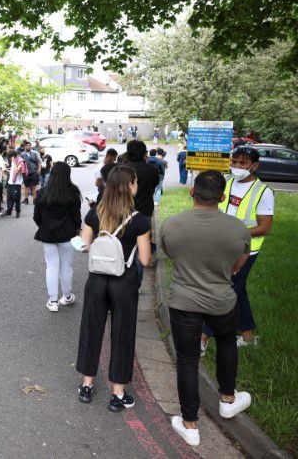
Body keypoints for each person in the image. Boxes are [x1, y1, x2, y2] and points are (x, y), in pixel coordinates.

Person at [161, 171, 253, 446]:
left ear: (192, 192)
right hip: (222, 301)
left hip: (184, 302)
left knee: (188, 360)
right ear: (223, 197)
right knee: (226, 344)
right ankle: (228, 399)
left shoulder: (171, 225)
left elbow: (170, 254)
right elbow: (239, 264)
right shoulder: (238, 229)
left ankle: (190, 424)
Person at [76, 165, 152, 412]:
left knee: (91, 328)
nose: (137, 185)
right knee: (122, 333)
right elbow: (145, 259)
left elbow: (84, 245)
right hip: (125, 282)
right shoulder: (139, 219)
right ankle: (118, 393)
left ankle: (86, 384)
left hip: (96, 280)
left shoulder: (94, 214)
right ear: (130, 186)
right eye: (136, 181)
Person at [201, 146, 273, 352]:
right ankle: (248, 336)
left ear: (254, 166)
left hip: (245, 250)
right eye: (234, 162)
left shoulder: (263, 192)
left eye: (242, 163)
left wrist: (235, 233)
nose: (237, 167)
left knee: (225, 290)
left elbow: (265, 227)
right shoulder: (226, 182)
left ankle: (203, 337)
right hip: (222, 245)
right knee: (237, 289)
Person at [33, 162, 81, 311]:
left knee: (52, 266)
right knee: (66, 267)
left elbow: (36, 217)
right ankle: (67, 296)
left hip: (48, 235)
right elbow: (76, 216)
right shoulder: (73, 192)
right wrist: (77, 228)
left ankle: (53, 301)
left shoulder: (43, 192)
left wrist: (45, 225)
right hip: (67, 235)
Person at [3, 149, 25, 218]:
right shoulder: (13, 161)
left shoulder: (20, 161)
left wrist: (13, 162)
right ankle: (9, 211)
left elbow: (17, 171)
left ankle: (18, 211)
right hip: (10, 182)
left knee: (16, 197)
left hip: (17, 183)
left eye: (9, 157)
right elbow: (12, 171)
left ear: (12, 156)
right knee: (9, 197)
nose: (9, 158)